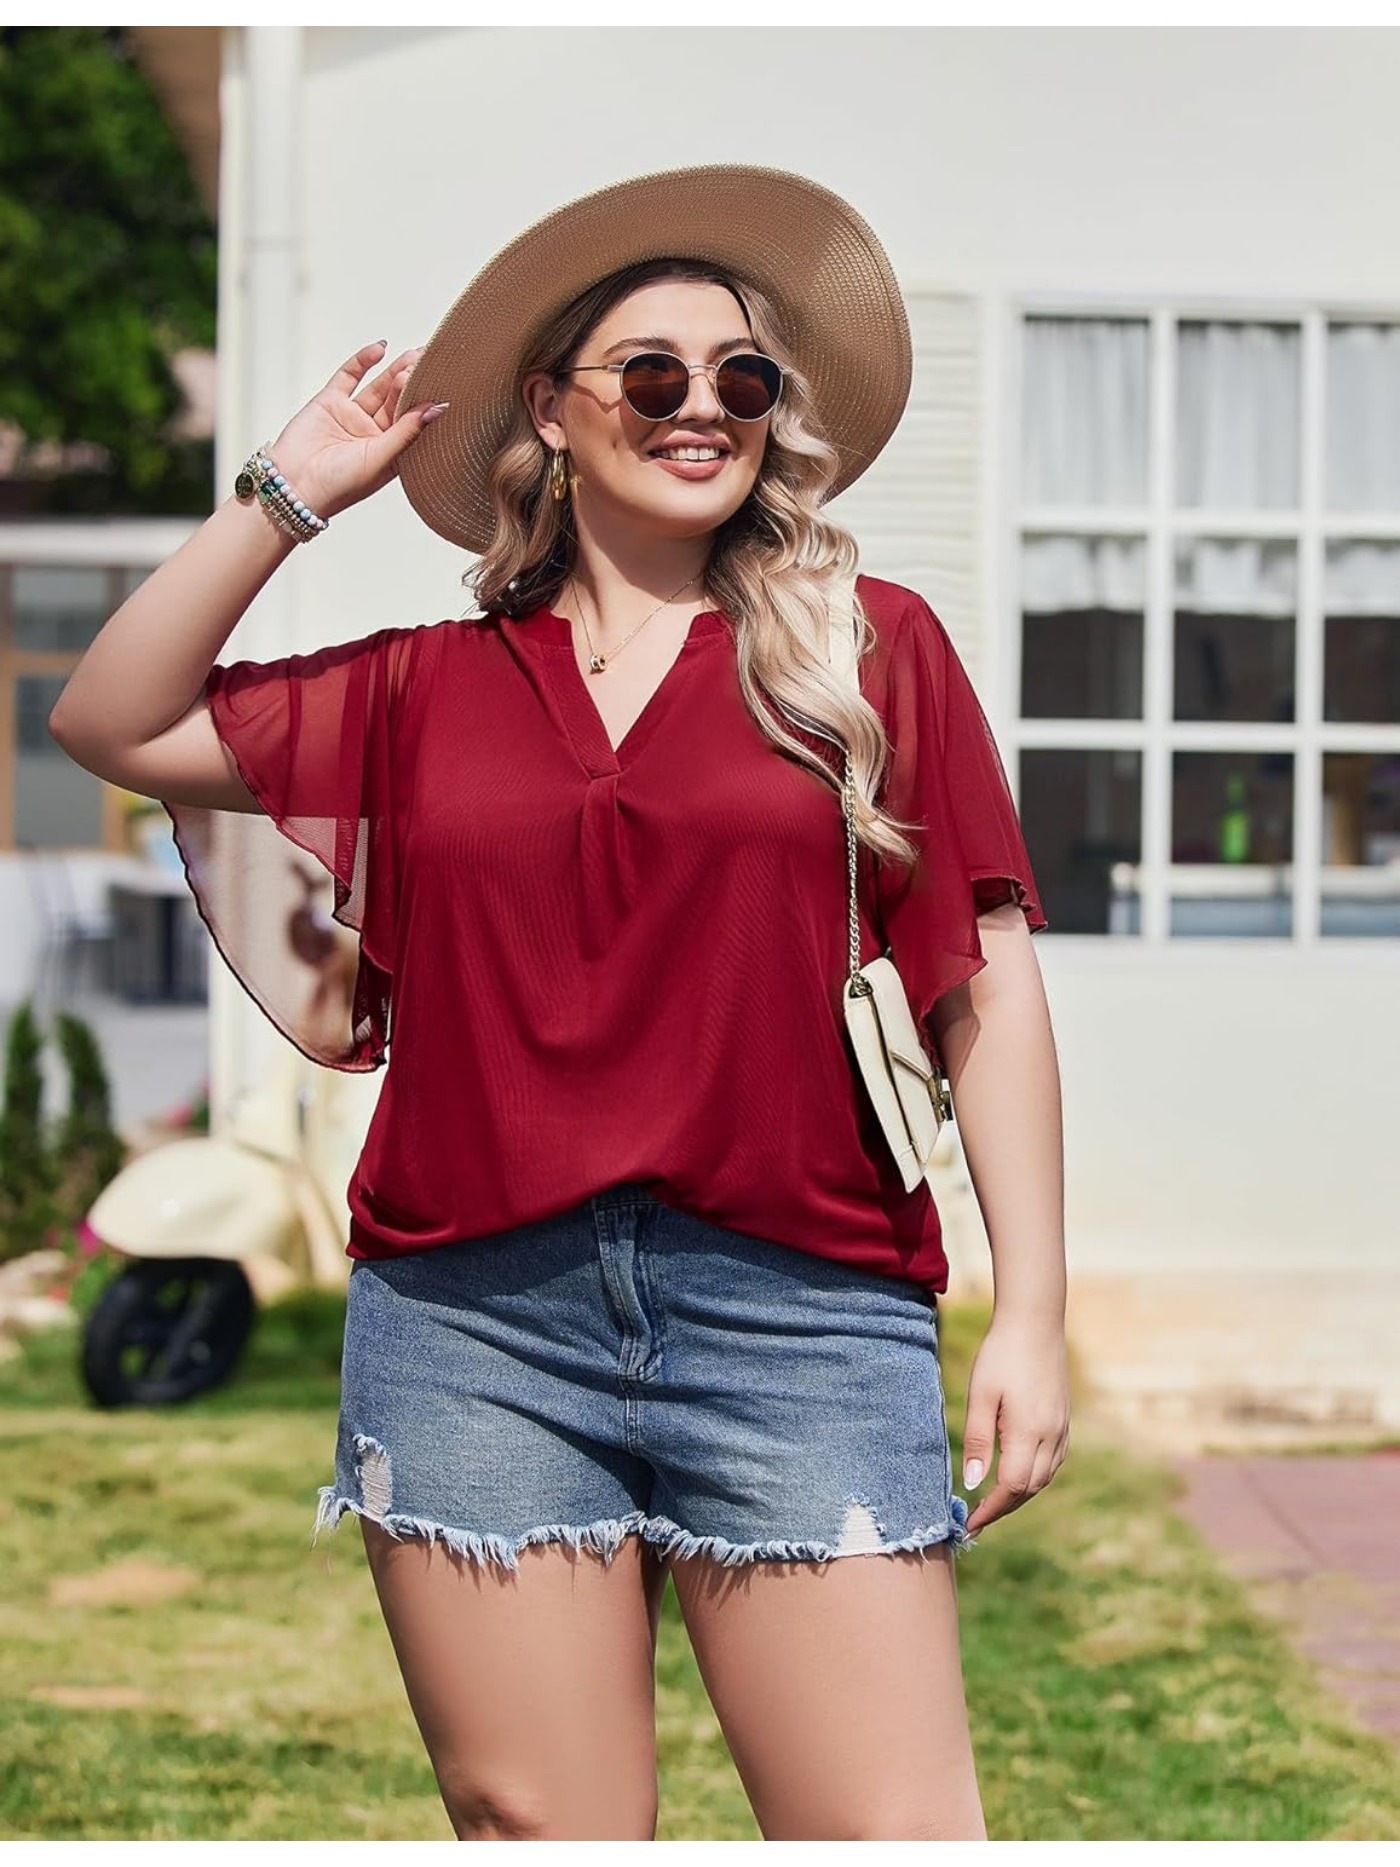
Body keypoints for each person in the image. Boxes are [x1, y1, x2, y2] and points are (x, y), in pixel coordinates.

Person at [49, 164, 1070, 1843]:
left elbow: (987, 975)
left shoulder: (867, 648)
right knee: (541, 1831)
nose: (704, 410)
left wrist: (1030, 1310)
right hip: (471, 1325)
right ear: (552, 410)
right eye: (651, 375)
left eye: (743, 380)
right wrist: (285, 493)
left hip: (802, 1310)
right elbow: (109, 716)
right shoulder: (416, 688)